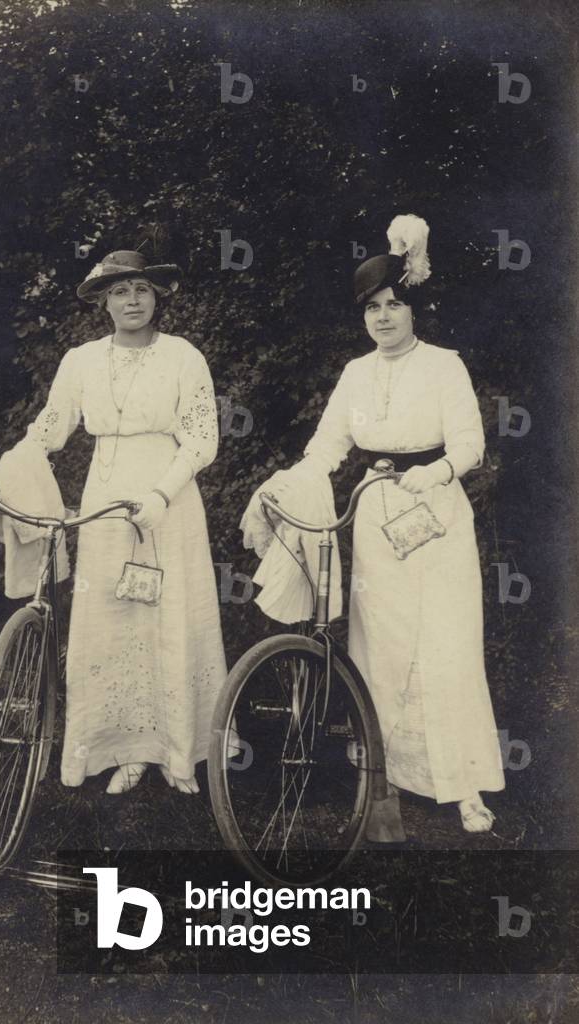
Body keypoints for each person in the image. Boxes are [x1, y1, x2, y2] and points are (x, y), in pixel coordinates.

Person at [243, 215, 505, 833]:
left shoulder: (445, 365)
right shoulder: (356, 374)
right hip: (376, 513)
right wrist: (288, 482)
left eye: (393, 305)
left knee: (447, 642)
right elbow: (327, 445)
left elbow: (470, 442)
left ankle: (461, 784)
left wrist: (437, 473)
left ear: (413, 308)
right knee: (380, 647)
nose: (383, 318)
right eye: (372, 309)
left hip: (435, 514)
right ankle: (383, 771)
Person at [0, 249, 227, 795]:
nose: (131, 300)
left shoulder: (183, 356)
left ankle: (178, 752)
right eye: (119, 292)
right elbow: (49, 428)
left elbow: (203, 438)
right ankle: (123, 751)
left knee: (170, 615)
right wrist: (2, 473)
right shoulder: (80, 360)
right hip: (105, 497)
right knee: (113, 618)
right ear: (104, 302)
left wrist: (160, 494)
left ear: (157, 297)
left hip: (169, 498)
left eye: (140, 290)